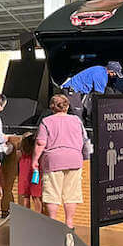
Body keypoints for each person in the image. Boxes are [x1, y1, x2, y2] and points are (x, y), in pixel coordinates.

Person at [32, 94, 90, 231]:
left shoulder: (47, 121)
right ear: (67, 106)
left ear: (52, 107)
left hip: (53, 161)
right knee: (72, 194)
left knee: (52, 192)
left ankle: (53, 224)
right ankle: (69, 223)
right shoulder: (76, 120)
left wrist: (35, 160)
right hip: (74, 159)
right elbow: (85, 140)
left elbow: (41, 143)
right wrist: (85, 157)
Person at [16, 132, 43, 213]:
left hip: (24, 176)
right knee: (36, 197)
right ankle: (38, 218)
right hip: (35, 174)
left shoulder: (21, 154)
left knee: (25, 197)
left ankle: (26, 216)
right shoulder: (37, 155)